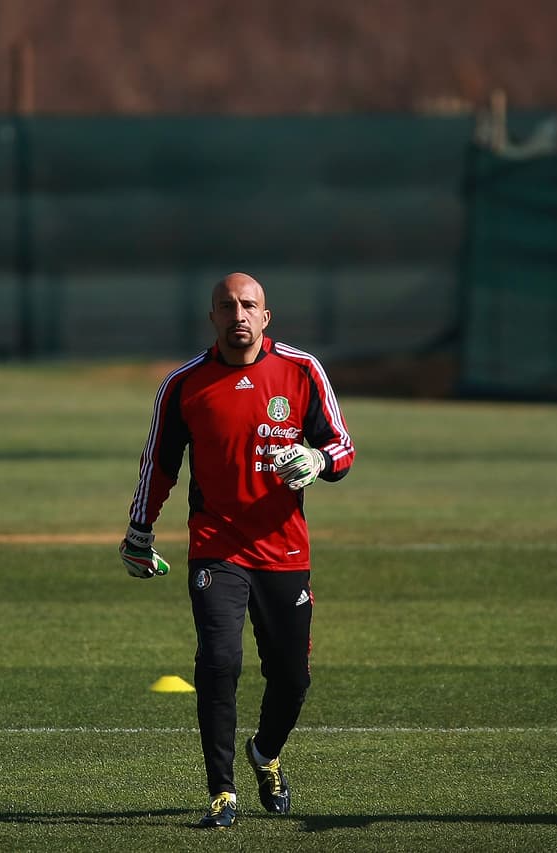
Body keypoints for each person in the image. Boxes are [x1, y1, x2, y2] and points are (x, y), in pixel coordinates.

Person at [119, 272, 354, 828]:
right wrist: (139, 531)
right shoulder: (184, 385)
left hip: (284, 552)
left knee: (293, 678)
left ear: (265, 317)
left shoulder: (301, 371)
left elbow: (341, 446)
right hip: (216, 548)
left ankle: (264, 754)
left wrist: (319, 462)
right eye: (227, 307)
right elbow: (159, 465)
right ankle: (221, 790)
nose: (238, 315)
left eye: (249, 305)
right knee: (219, 663)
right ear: (213, 318)